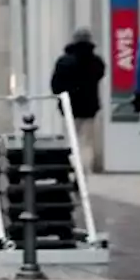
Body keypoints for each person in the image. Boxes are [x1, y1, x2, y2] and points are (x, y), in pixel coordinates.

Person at [50, 28, 106, 173]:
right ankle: (85, 171)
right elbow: (99, 75)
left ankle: (72, 169)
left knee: (71, 140)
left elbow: (55, 86)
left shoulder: (64, 61)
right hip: (89, 108)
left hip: (69, 107)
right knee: (86, 143)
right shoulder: (96, 62)